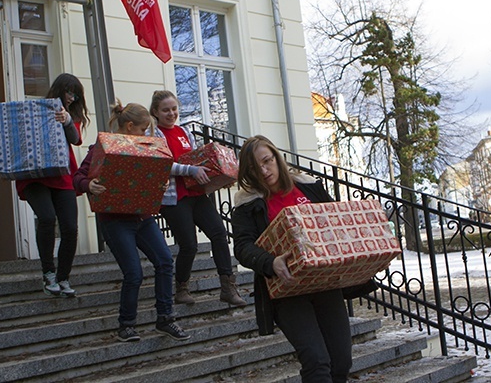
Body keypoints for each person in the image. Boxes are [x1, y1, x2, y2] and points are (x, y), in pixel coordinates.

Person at [231, 135, 352, 383]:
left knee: (341, 362)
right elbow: (243, 247)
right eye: (255, 168)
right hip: (286, 291)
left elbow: (335, 221)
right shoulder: (247, 204)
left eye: (267, 161)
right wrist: (270, 262)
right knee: (317, 362)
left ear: (277, 157)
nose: (264, 171)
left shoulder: (309, 186)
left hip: (324, 282)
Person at [73, 100, 190, 342]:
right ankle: (126, 325)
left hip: (142, 217)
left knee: (165, 261)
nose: (147, 134)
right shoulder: (103, 145)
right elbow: (78, 176)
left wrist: (161, 182)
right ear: (129, 126)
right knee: (134, 272)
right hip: (115, 220)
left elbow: (153, 176)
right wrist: (89, 185)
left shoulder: (147, 149)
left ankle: (165, 319)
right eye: (143, 129)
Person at [149, 90, 245, 306]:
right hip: (174, 198)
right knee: (189, 244)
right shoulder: (153, 133)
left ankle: (228, 288)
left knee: (219, 233)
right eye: (166, 110)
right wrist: (190, 171)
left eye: (174, 109)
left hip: (196, 193)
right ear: (155, 111)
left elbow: (196, 160)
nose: (171, 113)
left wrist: (218, 177)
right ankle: (181, 288)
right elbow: (161, 165)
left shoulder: (184, 132)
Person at [16, 73, 89, 298]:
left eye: (75, 94)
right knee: (46, 218)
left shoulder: (71, 115)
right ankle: (48, 273)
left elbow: (76, 139)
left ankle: (63, 277)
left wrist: (67, 120)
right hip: (34, 176)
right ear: (59, 90)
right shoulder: (38, 109)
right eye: (69, 92)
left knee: (69, 227)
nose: (72, 97)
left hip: (62, 176)